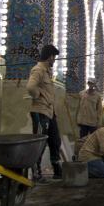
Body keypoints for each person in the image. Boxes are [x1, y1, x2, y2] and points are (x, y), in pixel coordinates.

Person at [27, 44, 62, 181]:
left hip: (49, 112)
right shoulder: (38, 70)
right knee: (40, 143)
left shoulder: (47, 71)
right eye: (54, 57)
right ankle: (36, 173)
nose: (54, 60)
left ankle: (57, 169)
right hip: (40, 112)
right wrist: (38, 96)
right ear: (50, 57)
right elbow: (30, 87)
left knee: (55, 140)